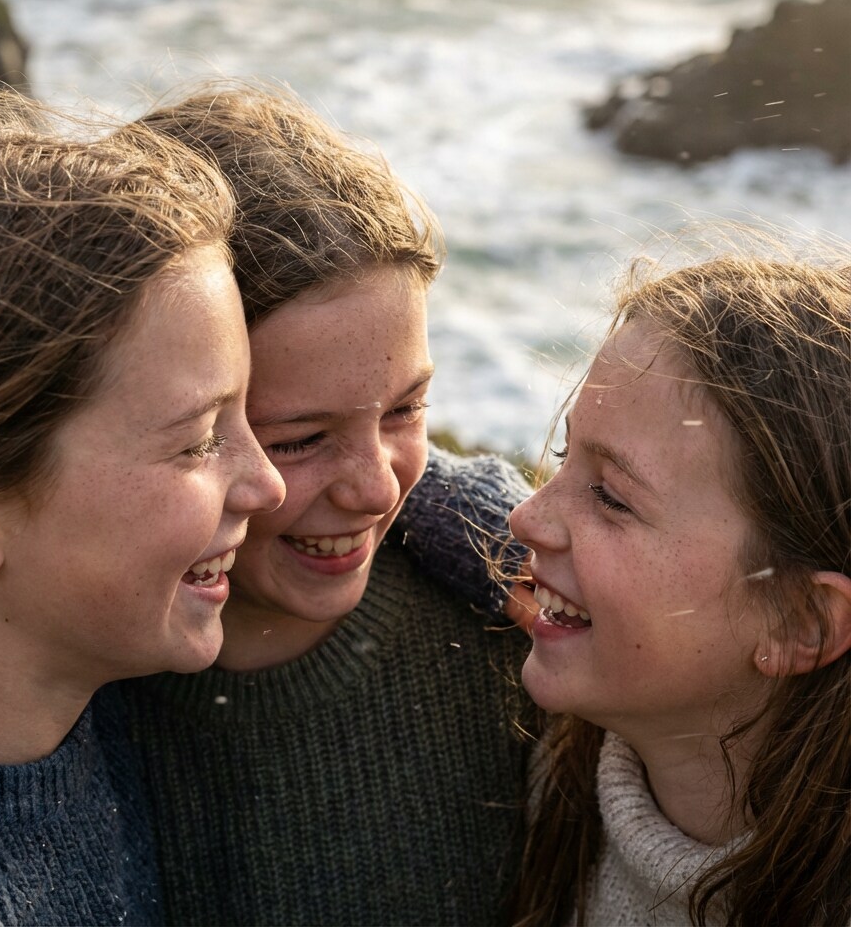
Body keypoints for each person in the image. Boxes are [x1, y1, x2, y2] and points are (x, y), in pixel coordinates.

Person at [120, 83, 534, 927]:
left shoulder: (512, 652)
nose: (377, 487)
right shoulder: (58, 677)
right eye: (300, 438)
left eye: (406, 409)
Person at [0, 88, 284, 926]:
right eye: (199, 439)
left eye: (257, 419)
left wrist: (485, 529)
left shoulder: (93, 679)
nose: (269, 484)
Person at [511, 243, 851, 926]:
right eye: (559, 456)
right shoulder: (551, 777)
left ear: (801, 623)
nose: (526, 515)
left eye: (610, 496)